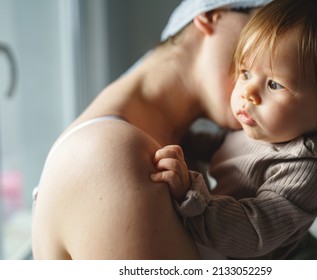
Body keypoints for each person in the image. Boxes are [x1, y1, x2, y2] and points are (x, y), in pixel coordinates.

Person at [31, 0, 273, 260]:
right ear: (213, 15)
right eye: (269, 34)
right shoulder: (107, 156)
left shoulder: (181, 148)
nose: (282, 64)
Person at [150, 0, 317, 259]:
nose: (248, 93)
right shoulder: (263, 127)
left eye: (274, 84)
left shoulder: (306, 166)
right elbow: (223, 147)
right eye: (246, 72)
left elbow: (252, 233)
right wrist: (182, 139)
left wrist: (191, 194)